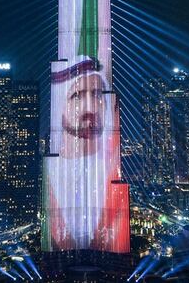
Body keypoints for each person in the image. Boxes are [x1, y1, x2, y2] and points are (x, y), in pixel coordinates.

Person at [44, 57, 126, 251]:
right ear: (62, 107)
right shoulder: (50, 173)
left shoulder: (112, 169)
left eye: (97, 94)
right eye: (77, 96)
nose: (90, 107)